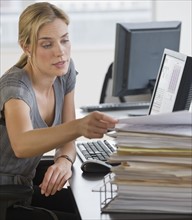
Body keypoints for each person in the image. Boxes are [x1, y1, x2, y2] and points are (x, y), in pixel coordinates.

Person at [0, 2, 118, 220]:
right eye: (47, 45)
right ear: (26, 47)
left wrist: (64, 159)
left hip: (24, 189)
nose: (60, 52)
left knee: (104, 208)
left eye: (64, 40)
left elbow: (68, 139)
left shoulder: (64, 72)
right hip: (5, 196)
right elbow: (21, 144)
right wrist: (80, 126)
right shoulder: (15, 88)